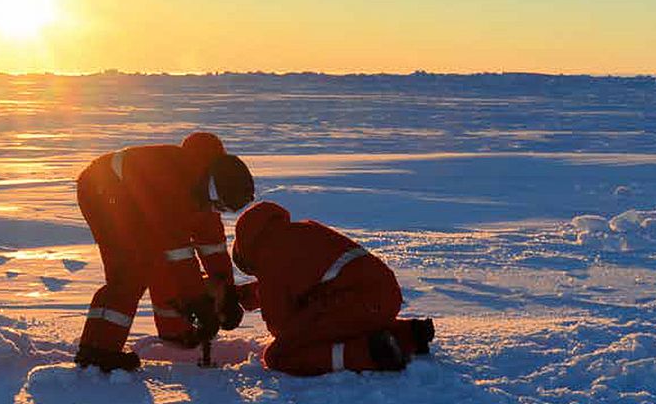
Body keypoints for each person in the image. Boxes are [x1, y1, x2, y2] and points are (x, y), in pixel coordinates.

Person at [74, 132, 255, 372]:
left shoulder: (203, 191)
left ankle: (173, 332)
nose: (217, 211)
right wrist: (198, 301)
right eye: (219, 205)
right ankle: (99, 351)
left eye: (222, 209)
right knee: (130, 272)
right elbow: (176, 250)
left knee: (155, 264)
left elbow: (213, 247)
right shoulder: (173, 185)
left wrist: (227, 292)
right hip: (103, 193)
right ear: (212, 190)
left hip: (134, 199)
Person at [231, 201, 435, 376]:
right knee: (331, 322)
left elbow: (281, 326)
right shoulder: (301, 230)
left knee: (279, 355)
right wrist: (246, 295)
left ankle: (371, 354)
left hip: (358, 302)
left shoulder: (268, 257)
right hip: (384, 296)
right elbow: (299, 281)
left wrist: (281, 307)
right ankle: (409, 334)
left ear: (249, 257)